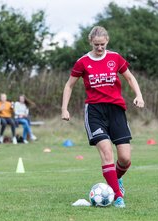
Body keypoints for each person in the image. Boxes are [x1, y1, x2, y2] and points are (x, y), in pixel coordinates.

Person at [61, 26, 145, 208]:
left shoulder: (115, 58)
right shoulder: (82, 62)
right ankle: (118, 196)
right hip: (95, 112)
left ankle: (116, 179)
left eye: (103, 44)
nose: (100, 48)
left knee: (125, 159)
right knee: (107, 153)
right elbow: (69, 86)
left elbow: (130, 78)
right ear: (90, 42)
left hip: (116, 111)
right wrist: (64, 109)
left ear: (107, 41)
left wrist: (138, 95)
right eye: (97, 44)